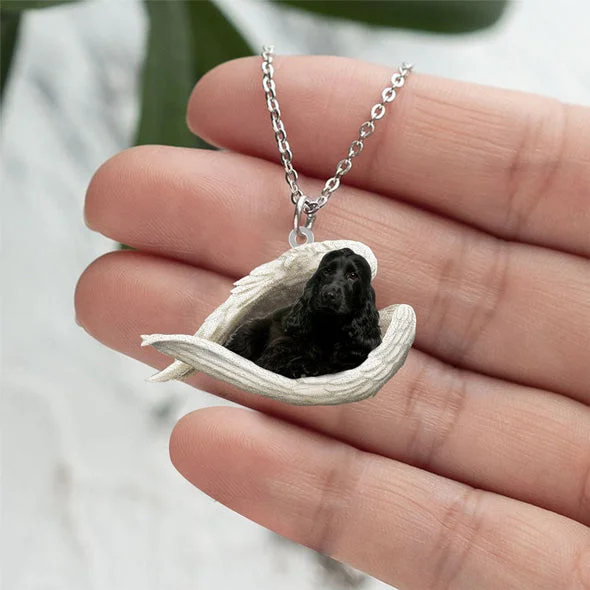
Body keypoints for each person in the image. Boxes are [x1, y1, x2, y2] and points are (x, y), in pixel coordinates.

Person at [75, 56, 590, 589]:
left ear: (363, 296)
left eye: (350, 279)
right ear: (315, 282)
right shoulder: (279, 325)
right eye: (330, 275)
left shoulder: (360, 344)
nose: (337, 285)